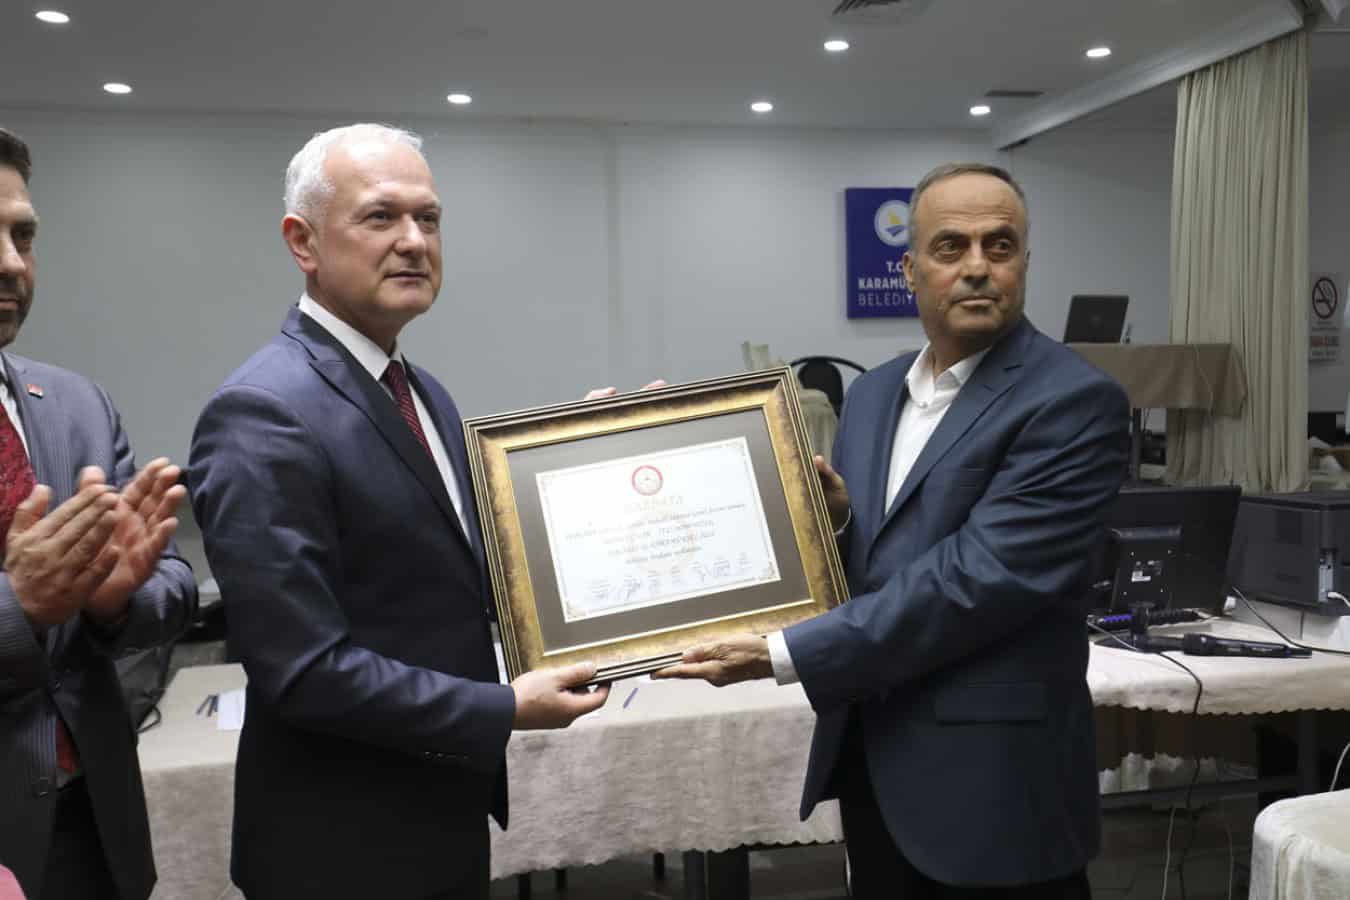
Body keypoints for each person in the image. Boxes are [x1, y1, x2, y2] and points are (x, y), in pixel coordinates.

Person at [656, 163, 1129, 898]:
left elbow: (977, 581)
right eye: (951, 246)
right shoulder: (876, 393)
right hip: (875, 762)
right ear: (910, 270)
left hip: (996, 791)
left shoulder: (1074, 401)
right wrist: (834, 522)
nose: (978, 266)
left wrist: (780, 651)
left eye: (1000, 245)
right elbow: (876, 561)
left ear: (1024, 263)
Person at [188, 123, 609, 899]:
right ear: (303, 242)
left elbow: (456, 570)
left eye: (429, 218)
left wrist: (580, 471)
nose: (414, 241)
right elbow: (303, 671)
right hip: (339, 848)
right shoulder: (264, 410)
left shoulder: (421, 392)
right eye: (381, 216)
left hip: (434, 818)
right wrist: (503, 707)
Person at [0, 127, 198, 900]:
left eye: (23, 236)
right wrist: (18, 607)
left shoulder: (78, 404)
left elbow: (172, 583)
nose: (12, 264)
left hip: (96, 828)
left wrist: (116, 600)